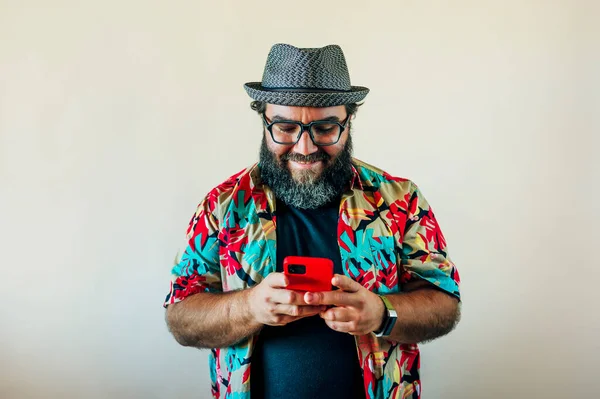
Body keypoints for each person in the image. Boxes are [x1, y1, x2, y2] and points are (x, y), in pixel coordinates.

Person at [163, 43, 461, 399]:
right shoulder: (222, 206)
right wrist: (250, 306)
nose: (305, 147)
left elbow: (445, 303)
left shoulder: (400, 200)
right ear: (264, 120)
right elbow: (181, 318)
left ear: (349, 121)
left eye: (325, 127)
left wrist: (382, 313)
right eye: (286, 127)